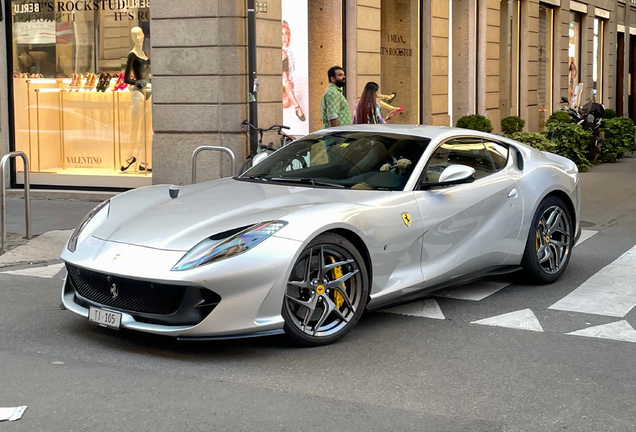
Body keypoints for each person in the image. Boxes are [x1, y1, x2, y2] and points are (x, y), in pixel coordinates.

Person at [282, 20, 305, 121]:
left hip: (287, 81)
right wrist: (287, 80)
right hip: (280, 80)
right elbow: (283, 70)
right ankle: (297, 108)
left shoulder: (290, 51)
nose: (284, 37)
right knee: (287, 84)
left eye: (286, 33)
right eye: (282, 34)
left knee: (286, 103)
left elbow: (292, 70)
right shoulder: (280, 51)